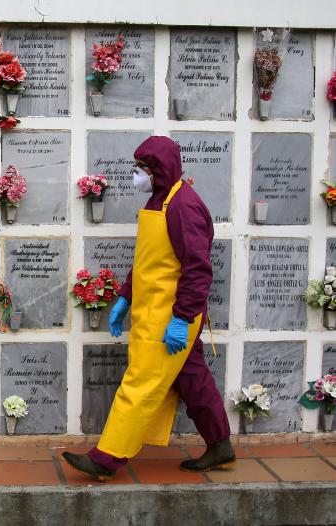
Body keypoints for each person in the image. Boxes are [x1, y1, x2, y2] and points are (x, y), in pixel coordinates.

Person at [63, 135, 234, 480]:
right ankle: (220, 445)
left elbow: (197, 269)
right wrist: (126, 297)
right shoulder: (160, 200)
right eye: (137, 167)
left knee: (139, 381)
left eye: (143, 168)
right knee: (193, 379)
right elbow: (149, 260)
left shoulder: (183, 206)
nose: (136, 174)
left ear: (161, 169)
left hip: (171, 315)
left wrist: (182, 318)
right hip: (153, 309)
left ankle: (107, 458)